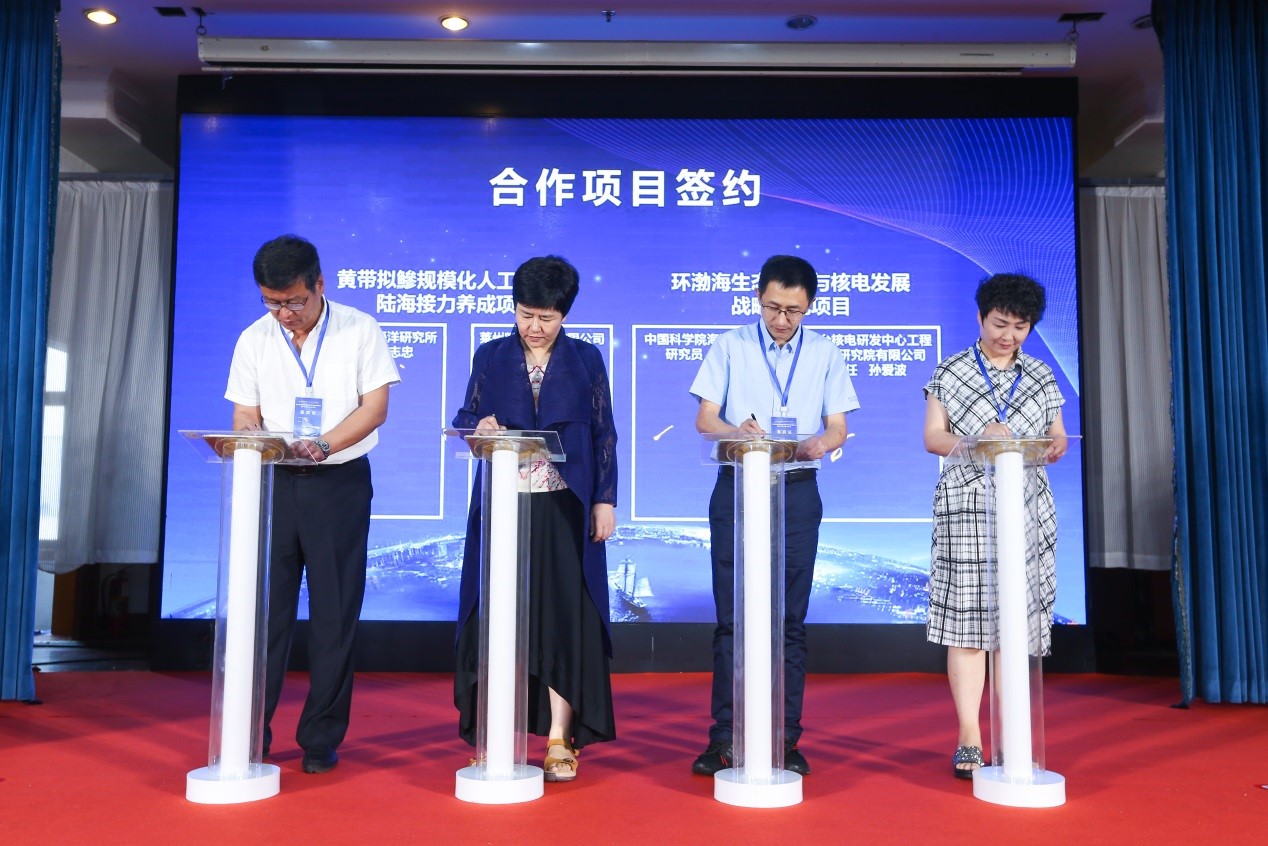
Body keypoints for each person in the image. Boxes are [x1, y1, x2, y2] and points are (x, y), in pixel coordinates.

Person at [226, 234, 400, 774]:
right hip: (274, 482)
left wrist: (324, 443)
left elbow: (374, 408)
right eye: (272, 303)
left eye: (293, 302)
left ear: (319, 285)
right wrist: (253, 437)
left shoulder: (360, 329)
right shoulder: (254, 339)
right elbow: (244, 415)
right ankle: (248, 733)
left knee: (334, 613)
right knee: (266, 613)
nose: (284, 314)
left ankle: (320, 737)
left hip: (338, 482)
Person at [688, 254, 859, 777]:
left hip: (798, 489)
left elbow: (837, 427)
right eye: (772, 307)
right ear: (758, 298)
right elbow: (704, 419)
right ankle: (725, 736)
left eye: (793, 310)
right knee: (731, 617)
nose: (781, 319)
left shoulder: (825, 352)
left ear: (810, 306)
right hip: (738, 485)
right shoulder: (730, 345)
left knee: (789, 620)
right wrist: (735, 432)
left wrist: (820, 442)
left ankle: (784, 737)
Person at [452, 255, 618, 781]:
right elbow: (465, 417)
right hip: (503, 504)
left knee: (563, 619)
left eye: (546, 317)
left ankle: (559, 739)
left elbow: (604, 433)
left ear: (564, 314)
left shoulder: (586, 359)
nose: (535, 327)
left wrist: (605, 500)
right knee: (497, 614)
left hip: (565, 504)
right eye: (525, 314)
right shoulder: (491, 355)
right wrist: (479, 426)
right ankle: (494, 733)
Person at [922, 272, 1068, 779]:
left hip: (1026, 508)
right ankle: (969, 736)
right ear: (981, 317)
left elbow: (1057, 436)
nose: (1009, 335)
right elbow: (933, 438)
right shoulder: (952, 370)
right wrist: (976, 441)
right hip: (967, 506)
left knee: (1016, 627)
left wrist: (1054, 446)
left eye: (1020, 327)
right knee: (967, 626)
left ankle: (1014, 735)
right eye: (1000, 323)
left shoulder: (1041, 375)